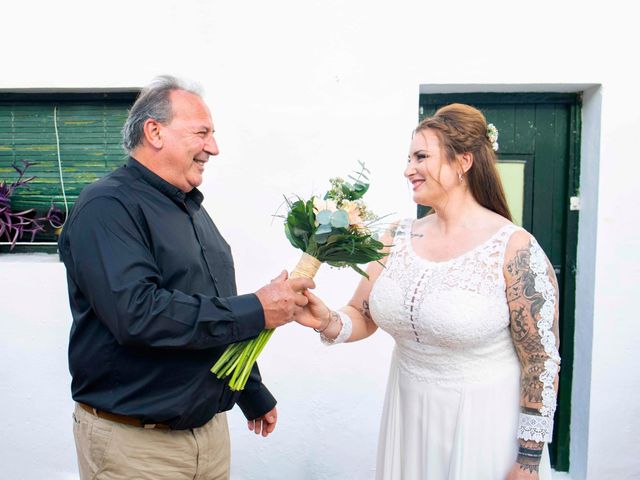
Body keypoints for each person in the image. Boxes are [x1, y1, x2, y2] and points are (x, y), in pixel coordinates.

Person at [58, 75, 314, 480]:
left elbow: (211, 302)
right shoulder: (107, 206)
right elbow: (138, 313)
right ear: (154, 131)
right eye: (202, 133)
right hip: (136, 448)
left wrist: (250, 389)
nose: (213, 147)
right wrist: (257, 308)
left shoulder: (189, 206)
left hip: (209, 437)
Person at [295, 103, 561, 479]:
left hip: (483, 426)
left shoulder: (513, 248)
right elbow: (364, 313)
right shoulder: (398, 237)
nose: (408, 170)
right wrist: (327, 320)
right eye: (409, 158)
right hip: (408, 415)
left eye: (421, 157)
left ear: (463, 161)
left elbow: (540, 360)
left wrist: (529, 461)